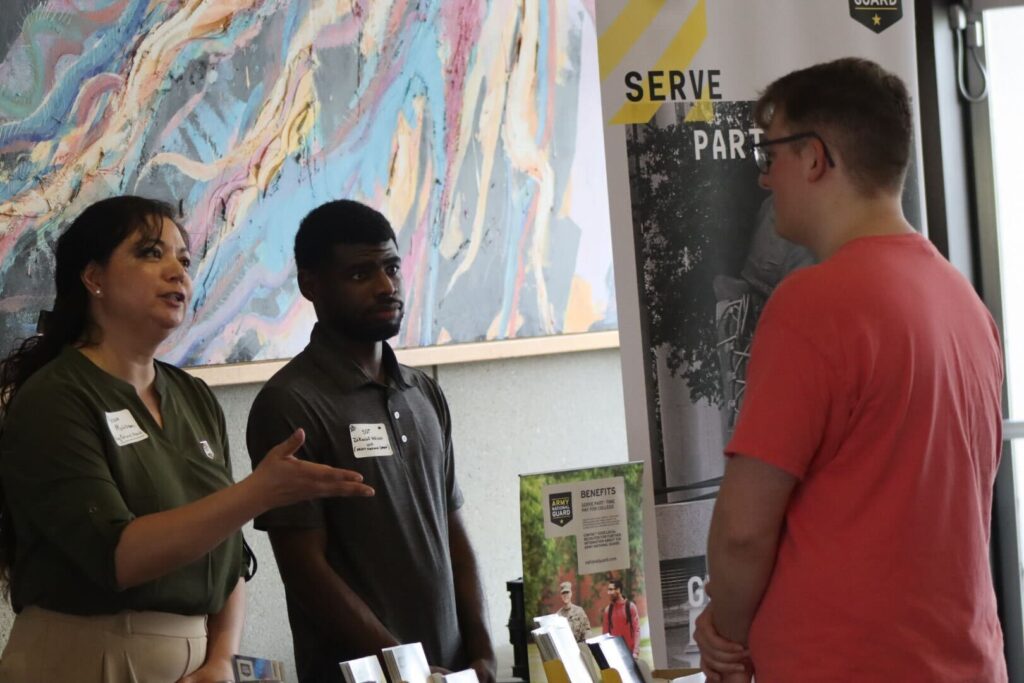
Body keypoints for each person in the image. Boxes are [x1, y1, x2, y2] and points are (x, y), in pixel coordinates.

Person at [694, 58, 1007, 682]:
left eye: (770, 154)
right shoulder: (965, 304)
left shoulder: (813, 305)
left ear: (814, 158)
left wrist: (724, 635)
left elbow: (742, 533)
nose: (764, 177)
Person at [0, 196, 374, 683]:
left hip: (198, 662)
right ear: (93, 278)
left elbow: (229, 555)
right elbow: (118, 557)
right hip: (85, 659)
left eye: (183, 259)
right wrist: (257, 493)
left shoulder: (192, 396)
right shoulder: (55, 397)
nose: (177, 272)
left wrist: (220, 659)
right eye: (151, 253)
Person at [245, 200, 496, 683]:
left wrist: (483, 654)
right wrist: (407, 668)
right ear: (311, 285)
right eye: (361, 274)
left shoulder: (424, 392)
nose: (387, 286)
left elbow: (454, 534)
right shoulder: (289, 404)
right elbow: (305, 571)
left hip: (449, 673)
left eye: (392, 267)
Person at [601, 578, 640, 659]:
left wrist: (635, 652)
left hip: (631, 654)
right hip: (616, 655)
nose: (609, 593)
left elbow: (636, 630)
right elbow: (605, 635)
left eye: (611, 589)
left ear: (618, 590)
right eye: (608, 590)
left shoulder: (630, 607)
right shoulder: (608, 611)